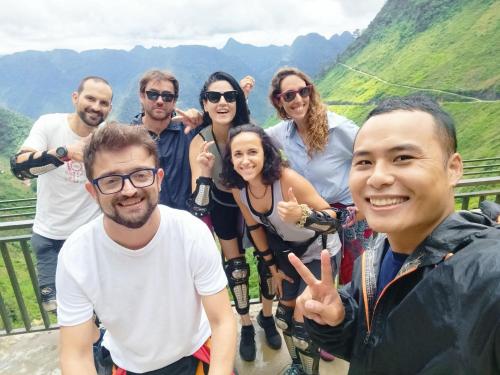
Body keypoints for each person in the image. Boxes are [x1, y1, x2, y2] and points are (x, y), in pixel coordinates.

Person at [289, 96, 500, 374]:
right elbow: (369, 348)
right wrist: (337, 321)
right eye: (364, 162)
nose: (377, 178)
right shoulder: (375, 255)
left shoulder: (486, 277)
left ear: (453, 169)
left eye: (402, 158)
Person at [56, 123, 236, 374]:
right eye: (110, 181)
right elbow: (76, 353)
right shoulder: (77, 255)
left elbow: (222, 320)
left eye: (141, 175)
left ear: (158, 180)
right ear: (92, 192)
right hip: (129, 365)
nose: (129, 190)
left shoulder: (190, 232)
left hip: (196, 354)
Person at [220, 124, 342, 375]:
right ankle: (298, 366)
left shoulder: (286, 179)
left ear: (265, 153)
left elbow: (334, 219)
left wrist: (303, 216)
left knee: (302, 319)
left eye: (252, 152)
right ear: (230, 159)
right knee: (284, 319)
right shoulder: (239, 189)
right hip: (289, 254)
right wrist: (273, 268)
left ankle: (310, 373)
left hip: (321, 251)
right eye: (238, 154)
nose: (245, 161)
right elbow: (255, 228)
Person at [187, 71, 281, 362]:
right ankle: (246, 325)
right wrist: (204, 173)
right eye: (214, 97)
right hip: (221, 204)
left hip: (254, 201)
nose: (222, 102)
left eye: (230, 96)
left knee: (268, 262)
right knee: (237, 268)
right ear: (205, 104)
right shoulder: (199, 142)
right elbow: (199, 205)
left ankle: (266, 315)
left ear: (238, 101)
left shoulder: (251, 132)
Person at [10, 76, 113, 312]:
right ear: (75, 98)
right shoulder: (49, 125)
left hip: (91, 237)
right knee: (56, 307)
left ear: (109, 109)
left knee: (97, 303)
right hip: (50, 237)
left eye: (103, 102)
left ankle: (97, 347)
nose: (96, 106)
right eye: (90, 98)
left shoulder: (106, 134)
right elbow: (19, 168)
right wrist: (64, 153)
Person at [266, 67, 372, 287]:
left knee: (356, 281)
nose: (297, 99)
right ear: (279, 101)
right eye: (289, 95)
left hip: (349, 216)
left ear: (310, 93)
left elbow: (373, 155)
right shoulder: (284, 133)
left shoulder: (338, 128)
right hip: (316, 218)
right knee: (321, 282)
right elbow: (249, 138)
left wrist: (369, 202)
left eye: (303, 92)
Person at [133, 69, 202, 210]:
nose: (159, 101)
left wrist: (201, 118)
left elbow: (226, 129)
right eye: (152, 94)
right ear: (141, 96)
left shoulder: (190, 130)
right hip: (150, 222)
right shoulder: (130, 138)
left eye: (167, 96)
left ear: (174, 101)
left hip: (187, 219)